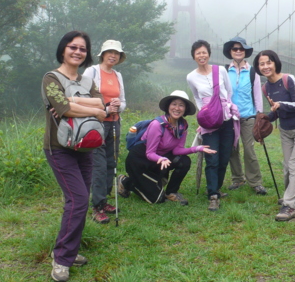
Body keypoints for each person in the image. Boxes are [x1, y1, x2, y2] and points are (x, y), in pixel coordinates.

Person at [42, 31, 106, 282]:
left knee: (79, 201)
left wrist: (72, 103)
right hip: (60, 148)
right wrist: (86, 108)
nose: (78, 52)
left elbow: (101, 106)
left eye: (83, 49)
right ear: (63, 49)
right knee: (78, 200)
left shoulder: (87, 81)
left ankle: (67, 250)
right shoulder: (51, 78)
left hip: (86, 146)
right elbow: (63, 108)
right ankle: (62, 258)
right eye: (73, 47)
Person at [117, 91, 215, 205]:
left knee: (184, 161)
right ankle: (125, 181)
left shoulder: (182, 126)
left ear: (185, 109)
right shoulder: (157, 125)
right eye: (174, 104)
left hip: (159, 159)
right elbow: (150, 153)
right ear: (168, 106)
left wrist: (197, 148)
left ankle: (171, 192)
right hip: (140, 160)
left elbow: (177, 150)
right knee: (157, 199)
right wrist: (162, 159)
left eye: (181, 105)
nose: (177, 108)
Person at [254, 50, 295, 221]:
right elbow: (276, 111)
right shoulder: (266, 87)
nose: (265, 66)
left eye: (269, 62)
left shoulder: (289, 80)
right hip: (286, 130)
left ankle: (290, 205)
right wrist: (265, 120)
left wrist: (280, 104)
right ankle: (294, 195)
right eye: (261, 64)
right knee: (288, 166)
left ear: (275, 63)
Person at [187, 40, 237, 211]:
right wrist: (204, 113)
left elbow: (229, 91)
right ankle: (213, 195)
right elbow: (197, 97)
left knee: (224, 157)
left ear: (208, 54)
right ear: (194, 56)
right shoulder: (191, 77)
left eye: (204, 52)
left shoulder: (220, 70)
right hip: (209, 122)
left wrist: (225, 107)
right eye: (198, 53)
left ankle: (216, 187)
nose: (201, 55)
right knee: (212, 159)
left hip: (226, 119)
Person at [83, 40, 126, 224]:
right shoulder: (91, 72)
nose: (113, 56)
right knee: (99, 165)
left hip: (114, 123)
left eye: (116, 53)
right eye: (110, 52)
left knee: (111, 162)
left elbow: (123, 101)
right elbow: (82, 98)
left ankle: (105, 199)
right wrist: (106, 108)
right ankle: (97, 206)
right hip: (96, 124)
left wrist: (118, 105)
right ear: (102, 54)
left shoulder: (118, 75)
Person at [223, 37, 267, 195]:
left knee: (249, 150)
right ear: (230, 52)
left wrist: (259, 116)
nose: (238, 51)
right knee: (232, 149)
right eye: (235, 49)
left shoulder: (253, 72)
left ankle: (255, 182)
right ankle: (237, 178)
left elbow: (257, 95)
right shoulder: (224, 71)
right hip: (230, 117)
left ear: (245, 52)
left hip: (248, 116)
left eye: (241, 49)